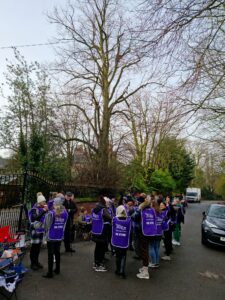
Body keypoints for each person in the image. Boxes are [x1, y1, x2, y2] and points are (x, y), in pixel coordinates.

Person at [43, 197, 68, 278]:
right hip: (59, 235)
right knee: (57, 253)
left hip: (51, 236)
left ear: (55, 204)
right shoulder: (65, 213)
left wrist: (45, 234)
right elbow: (64, 225)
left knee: (50, 255)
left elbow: (46, 226)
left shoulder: (51, 213)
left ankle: (50, 273)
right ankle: (57, 269)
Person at [91, 195, 112, 272]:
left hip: (95, 231)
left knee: (97, 248)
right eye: (108, 203)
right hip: (102, 232)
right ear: (105, 202)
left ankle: (96, 263)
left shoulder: (94, 209)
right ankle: (98, 265)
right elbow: (110, 218)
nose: (108, 204)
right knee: (101, 248)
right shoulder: (103, 210)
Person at [28, 194, 48, 270]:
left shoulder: (43, 208)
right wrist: (43, 211)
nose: (45, 202)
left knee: (38, 247)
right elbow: (35, 218)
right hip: (35, 230)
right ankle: (32, 263)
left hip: (41, 230)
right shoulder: (34, 209)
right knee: (34, 247)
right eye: (43, 201)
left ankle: (36, 261)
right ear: (39, 202)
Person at [111, 205, 131, 279]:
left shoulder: (114, 219)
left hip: (116, 241)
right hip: (124, 242)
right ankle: (122, 271)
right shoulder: (128, 220)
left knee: (118, 256)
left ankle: (117, 270)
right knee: (123, 256)